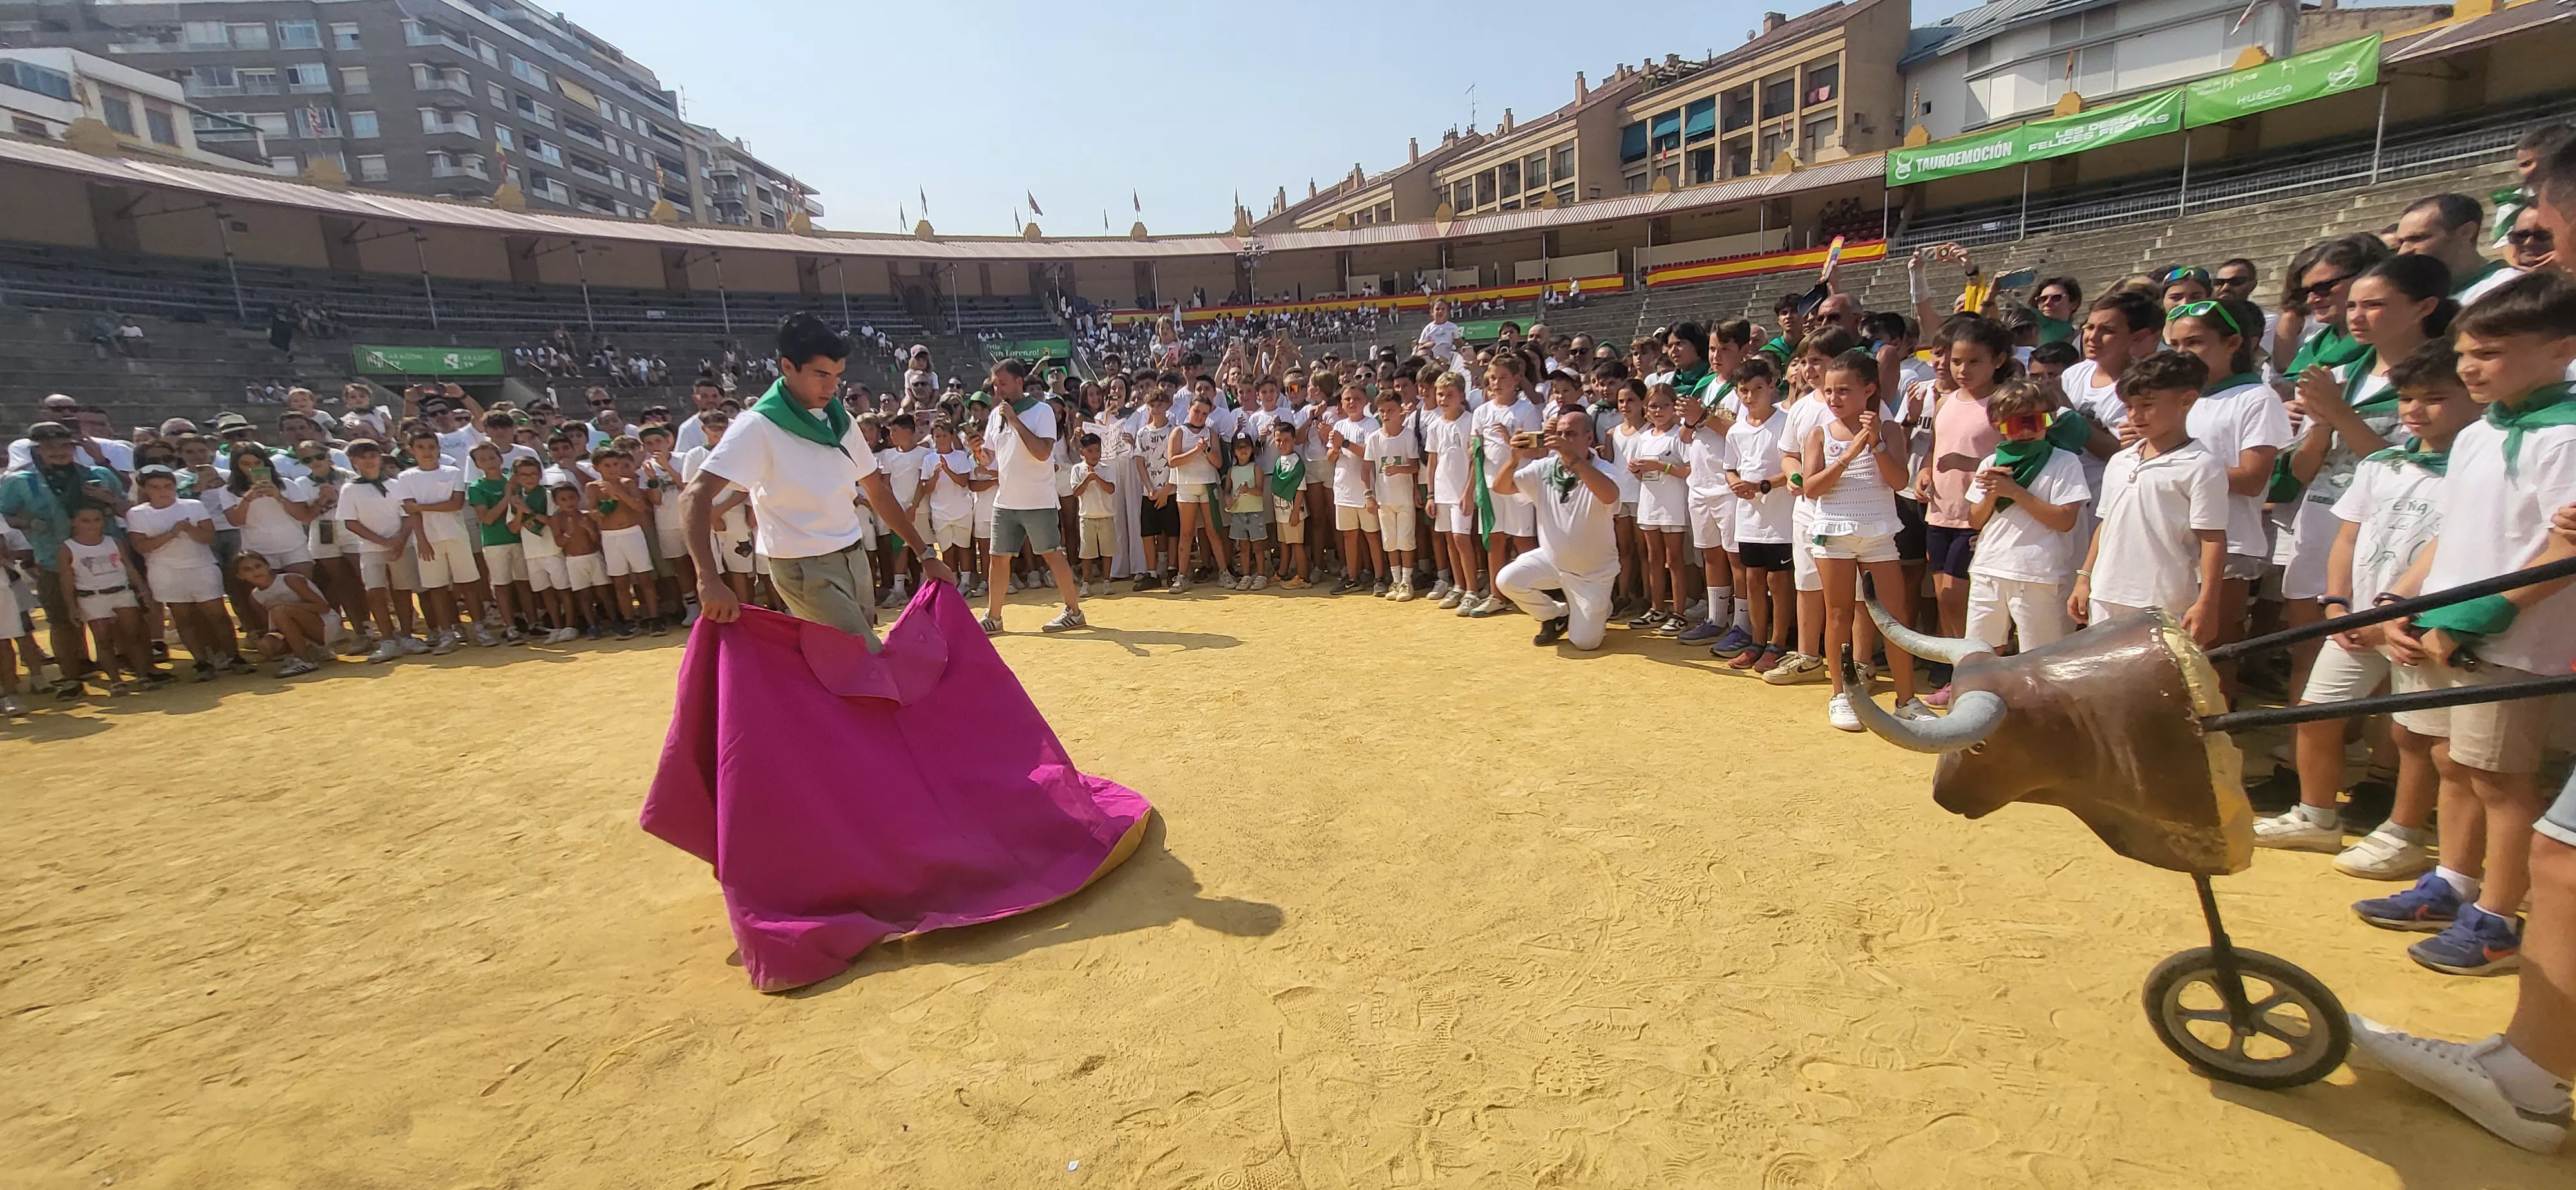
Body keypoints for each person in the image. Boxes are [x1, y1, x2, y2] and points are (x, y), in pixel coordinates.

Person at [683, 314, 952, 645]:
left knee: (847, 661)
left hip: (854, 557)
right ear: (787, 367)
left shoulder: (841, 421)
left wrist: (925, 554)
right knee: (862, 657)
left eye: (837, 376)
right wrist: (708, 579)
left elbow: (877, 491)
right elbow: (693, 496)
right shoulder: (757, 426)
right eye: (821, 375)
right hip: (804, 568)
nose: (831, 387)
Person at [1802, 351, 1928, 732]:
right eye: (1829, 391)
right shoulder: (1819, 434)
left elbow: (1899, 481)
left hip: (1879, 534)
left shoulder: (1889, 430)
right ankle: (1841, 695)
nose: (1834, 398)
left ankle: (1906, 700)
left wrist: (1876, 444)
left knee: (1894, 617)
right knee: (1838, 615)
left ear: (1869, 390)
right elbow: (1811, 488)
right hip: (1833, 535)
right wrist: (1850, 453)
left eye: (1844, 390)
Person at [2069, 352, 2228, 638]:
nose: (2135, 415)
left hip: (2163, 600)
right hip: (2105, 593)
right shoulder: (2121, 460)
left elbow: (2212, 538)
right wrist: (2084, 577)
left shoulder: (2202, 465)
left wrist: (2208, 603)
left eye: (2147, 405)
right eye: (2129, 406)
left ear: (2186, 400)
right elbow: (2106, 523)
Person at [1962, 381, 2090, 652]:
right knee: (1979, 652)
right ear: (1998, 425)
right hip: (1989, 568)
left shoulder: (2064, 461)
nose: (2028, 430)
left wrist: (2014, 491)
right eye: (2017, 424)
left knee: (2041, 657)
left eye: (2037, 421)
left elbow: (2065, 520)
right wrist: (1993, 494)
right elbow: (1975, 520)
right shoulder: (1990, 463)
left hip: (2038, 574)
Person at [1, 421, 128, 691]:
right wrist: (27, 522)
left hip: (104, 558)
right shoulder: (18, 482)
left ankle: (126, 667)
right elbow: (7, 515)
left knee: (117, 616)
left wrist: (109, 500)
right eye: (50, 447)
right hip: (52, 558)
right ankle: (71, 677)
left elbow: (126, 510)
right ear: (37, 450)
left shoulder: (99, 475)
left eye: (65, 445)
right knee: (61, 621)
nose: (59, 451)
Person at [1486, 408, 1621, 650]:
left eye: (1571, 434)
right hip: (1553, 560)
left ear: (1589, 437)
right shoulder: (1543, 467)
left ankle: (1600, 606)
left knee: (1585, 643)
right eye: (1560, 434)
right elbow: (1501, 488)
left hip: (1593, 572)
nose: (1563, 439)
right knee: (1506, 581)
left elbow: (1610, 496)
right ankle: (1556, 615)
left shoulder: (1605, 469)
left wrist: (1574, 460)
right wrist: (1514, 459)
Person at [979, 359, 1083, 633]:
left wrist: (1014, 421)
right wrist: (978, 450)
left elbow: (1042, 452)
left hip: (1038, 499)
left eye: (1003, 383)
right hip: (1006, 500)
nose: (998, 390)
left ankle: (1074, 611)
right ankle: (994, 617)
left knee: (1052, 555)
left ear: (1019, 382)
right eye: (995, 385)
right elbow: (989, 458)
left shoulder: (1042, 411)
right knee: (998, 558)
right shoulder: (996, 415)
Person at [126, 464, 247, 677]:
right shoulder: (137, 514)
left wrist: (190, 530)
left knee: (218, 614)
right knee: (183, 618)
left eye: (168, 486)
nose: (163, 491)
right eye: (155, 487)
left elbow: (209, 538)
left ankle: (234, 657)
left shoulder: (193, 505)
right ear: (145, 489)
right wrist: (172, 533)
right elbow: (141, 546)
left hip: (201, 566)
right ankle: (201, 662)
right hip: (165, 571)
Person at [1721, 357, 1795, 670]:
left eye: (1757, 389)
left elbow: (1794, 467)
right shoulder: (1736, 431)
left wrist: (1763, 486)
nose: (1750, 396)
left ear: (1772, 386)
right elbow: (1730, 468)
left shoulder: (1786, 423)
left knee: (1779, 582)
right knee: (1753, 580)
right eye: (1744, 390)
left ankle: (1778, 643)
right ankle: (1756, 642)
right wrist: (1736, 483)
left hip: (1781, 519)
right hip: (1748, 519)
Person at [398, 428, 483, 653]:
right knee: (437, 588)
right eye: (421, 448)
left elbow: (455, 504)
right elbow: (410, 512)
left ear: (438, 449)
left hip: (457, 536)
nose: (427, 452)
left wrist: (421, 507)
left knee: (468, 585)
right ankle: (447, 633)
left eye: (431, 447)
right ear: (411, 450)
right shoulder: (405, 478)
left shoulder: (453, 472)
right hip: (428, 541)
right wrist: (422, 540)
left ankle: (479, 628)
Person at [57, 505, 158, 694]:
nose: (92, 525)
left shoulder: (114, 542)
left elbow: (129, 567)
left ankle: (142, 676)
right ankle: (115, 681)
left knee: (133, 636)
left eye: (97, 520)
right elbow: (67, 579)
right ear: (74, 523)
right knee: (103, 640)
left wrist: (143, 591)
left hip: (121, 592)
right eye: (85, 521)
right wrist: (71, 606)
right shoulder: (68, 548)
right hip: (91, 596)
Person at [2393, 193, 2523, 303]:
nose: (2403, 252)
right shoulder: (2412, 297)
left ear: (2466, 233)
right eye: (2401, 242)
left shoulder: (2510, 288)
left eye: (2418, 238)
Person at [234, 551, 330, 677]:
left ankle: (305, 660)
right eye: (248, 570)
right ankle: (312, 651)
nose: (255, 572)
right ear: (241, 576)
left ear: (268, 567)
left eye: (258, 566)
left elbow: (324, 608)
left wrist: (284, 605)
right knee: (265, 645)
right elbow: (274, 626)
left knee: (279, 610)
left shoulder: (290, 580)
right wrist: (259, 634)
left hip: (325, 627)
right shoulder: (255, 596)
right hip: (302, 632)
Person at [1365, 390, 1421, 601]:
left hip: (1404, 498)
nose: (1386, 415)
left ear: (1400, 412)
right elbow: (1367, 469)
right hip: (1383, 499)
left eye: (1390, 410)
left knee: (1405, 541)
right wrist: (1369, 495)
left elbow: (1415, 466)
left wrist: (1399, 469)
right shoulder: (1374, 438)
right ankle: (1396, 580)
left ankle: (1407, 581)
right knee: (1389, 541)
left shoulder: (1408, 436)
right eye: (1382, 411)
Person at [1072, 433, 1119, 595]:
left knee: (1107, 551)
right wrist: (1087, 479)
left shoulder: (1107, 469)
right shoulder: (1077, 470)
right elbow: (1076, 492)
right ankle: (1086, 583)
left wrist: (1096, 478)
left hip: (1106, 515)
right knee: (1087, 552)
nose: (1094, 455)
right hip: (1087, 517)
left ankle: (1107, 581)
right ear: (1082, 452)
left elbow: (1111, 489)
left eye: (1098, 451)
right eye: (1090, 451)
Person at [1267, 420, 1310, 588]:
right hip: (1281, 512)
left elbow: (1300, 489)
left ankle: (1303, 578)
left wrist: (1295, 513)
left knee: (1297, 545)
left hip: (1294, 512)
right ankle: (1282, 573)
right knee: (1284, 544)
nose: (1282, 444)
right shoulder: (1279, 461)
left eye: (1286, 440)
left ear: (1294, 440)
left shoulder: (1296, 462)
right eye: (1278, 440)